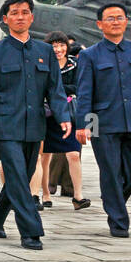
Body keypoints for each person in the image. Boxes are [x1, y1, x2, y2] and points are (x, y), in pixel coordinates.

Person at [0, 0, 70, 250]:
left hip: (34, 126)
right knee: (17, 176)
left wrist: (64, 116)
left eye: (25, 12)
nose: (20, 16)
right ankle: (31, 230)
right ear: (5, 19)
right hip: (5, 127)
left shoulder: (44, 51)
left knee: (23, 175)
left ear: (32, 17)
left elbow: (55, 89)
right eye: (14, 13)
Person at [74, 3, 131, 237]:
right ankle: (119, 221)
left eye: (120, 17)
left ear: (126, 21)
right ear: (100, 24)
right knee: (110, 172)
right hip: (103, 123)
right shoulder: (89, 55)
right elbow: (84, 93)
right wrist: (83, 125)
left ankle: (113, 198)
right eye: (110, 18)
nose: (116, 21)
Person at [40, 31, 90, 211]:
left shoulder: (75, 64)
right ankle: (45, 193)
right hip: (47, 115)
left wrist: (58, 89)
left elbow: (81, 86)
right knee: (44, 156)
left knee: (74, 154)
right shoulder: (43, 63)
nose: (58, 49)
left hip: (70, 114)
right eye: (54, 46)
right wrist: (62, 91)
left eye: (62, 45)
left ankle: (78, 196)